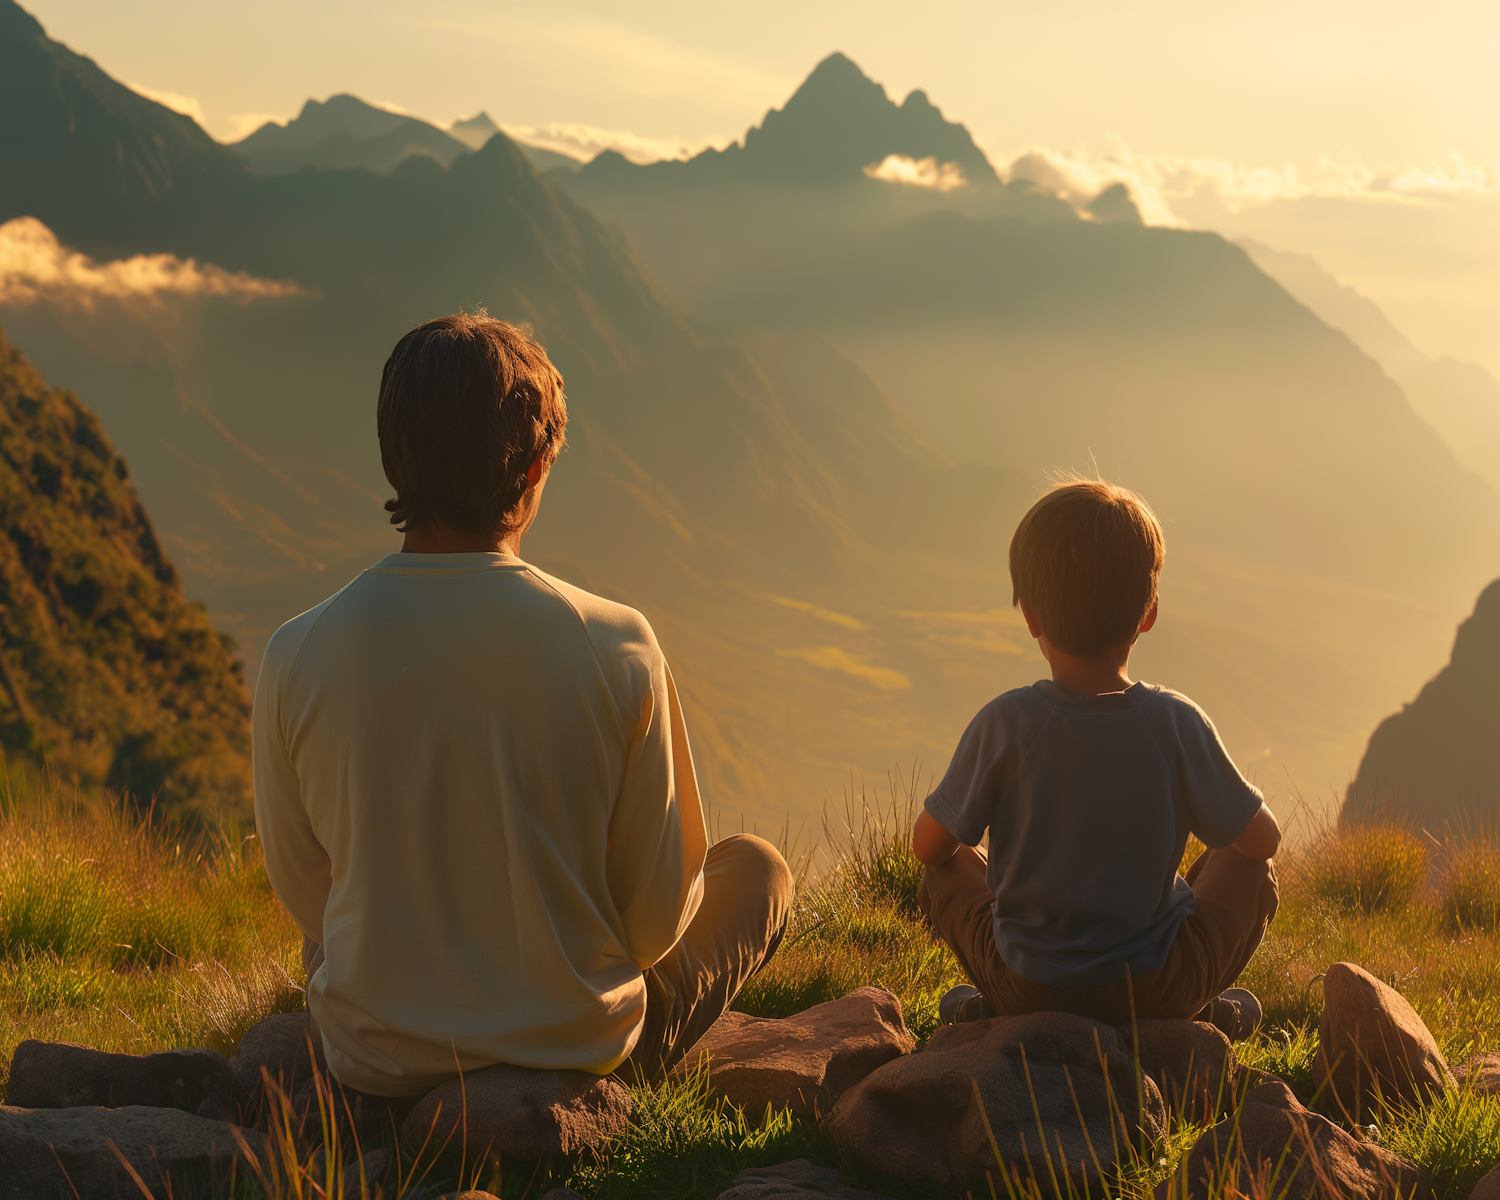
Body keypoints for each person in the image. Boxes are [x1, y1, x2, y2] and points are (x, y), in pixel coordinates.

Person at [252, 313, 792, 1123]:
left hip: (374, 1059)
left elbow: (311, 898)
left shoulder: (298, 651)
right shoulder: (615, 643)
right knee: (756, 869)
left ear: (393, 452)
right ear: (537, 467)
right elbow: (651, 926)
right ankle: (594, 1104)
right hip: (573, 1047)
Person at [912, 479, 1280, 1035]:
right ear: (1148, 613)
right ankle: (1199, 1013)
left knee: (944, 868)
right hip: (1154, 988)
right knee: (1254, 871)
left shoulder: (1004, 723)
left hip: (1025, 984)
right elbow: (1263, 841)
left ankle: (993, 1012)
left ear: (1031, 615)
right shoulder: (1176, 723)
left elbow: (928, 846)